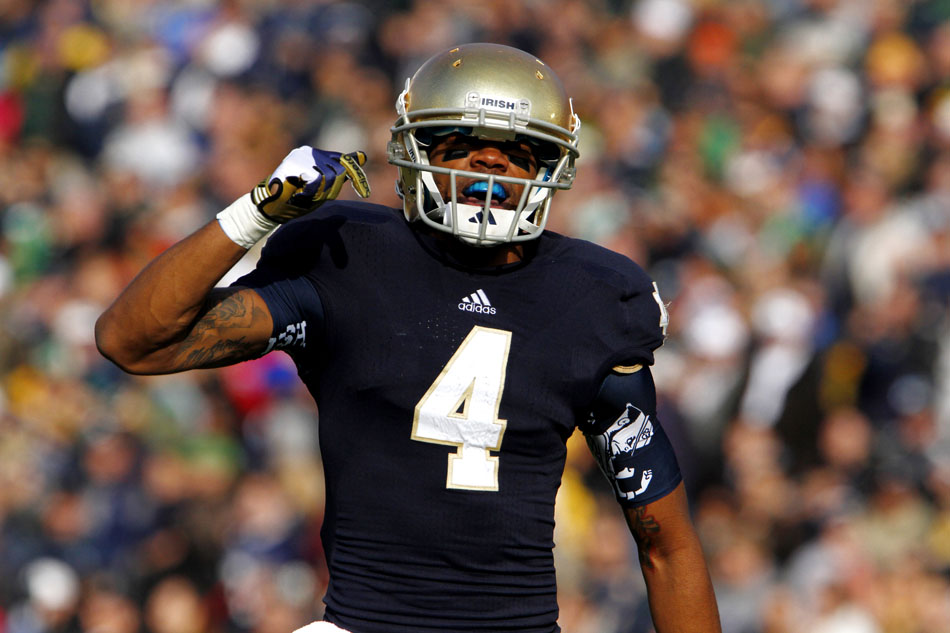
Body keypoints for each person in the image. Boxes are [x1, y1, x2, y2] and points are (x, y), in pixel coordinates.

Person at [96, 43, 721, 633]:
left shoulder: (595, 297)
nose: (489, 162)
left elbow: (664, 540)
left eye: (519, 150)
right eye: (463, 142)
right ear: (415, 148)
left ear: (552, 166)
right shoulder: (346, 255)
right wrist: (256, 212)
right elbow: (134, 341)